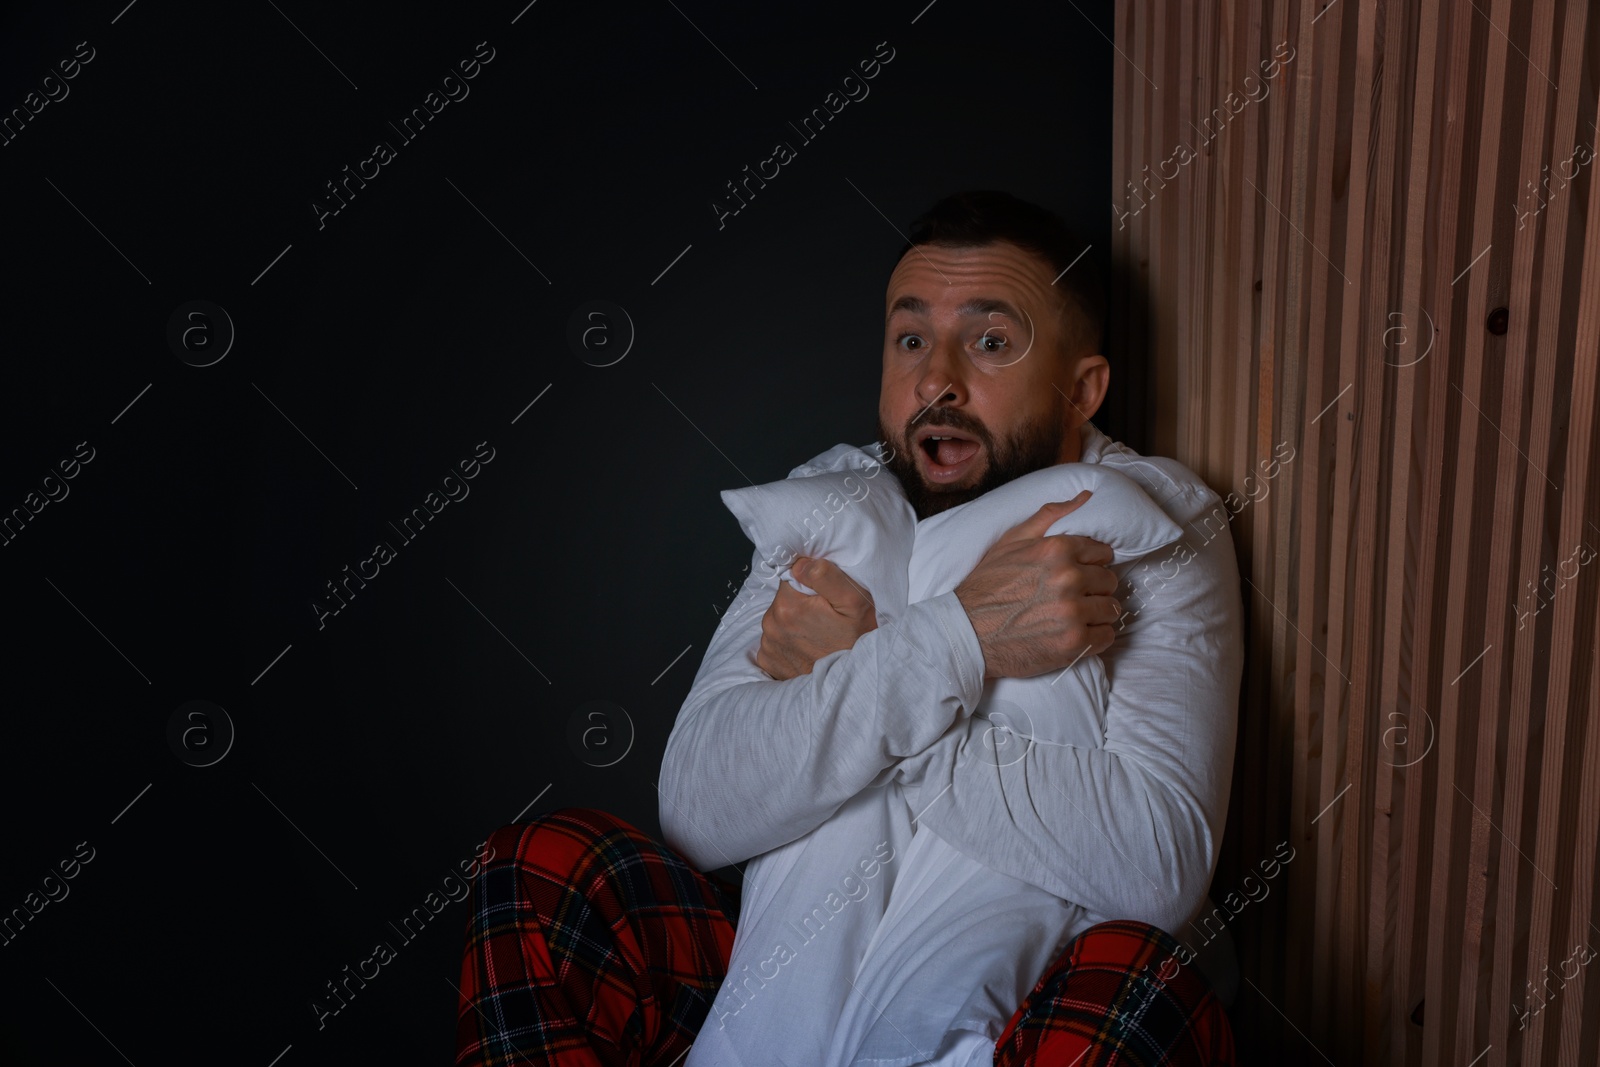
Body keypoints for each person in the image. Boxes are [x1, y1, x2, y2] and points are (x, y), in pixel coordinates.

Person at [454, 190, 1245, 1067]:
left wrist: (863, 679)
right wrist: (957, 641)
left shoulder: (1158, 526)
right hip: (765, 999)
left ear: (1082, 388)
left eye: (990, 342)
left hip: (1017, 1027)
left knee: (1138, 983)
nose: (936, 378)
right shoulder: (829, 509)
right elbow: (699, 808)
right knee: (545, 869)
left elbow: (1159, 868)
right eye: (911, 338)